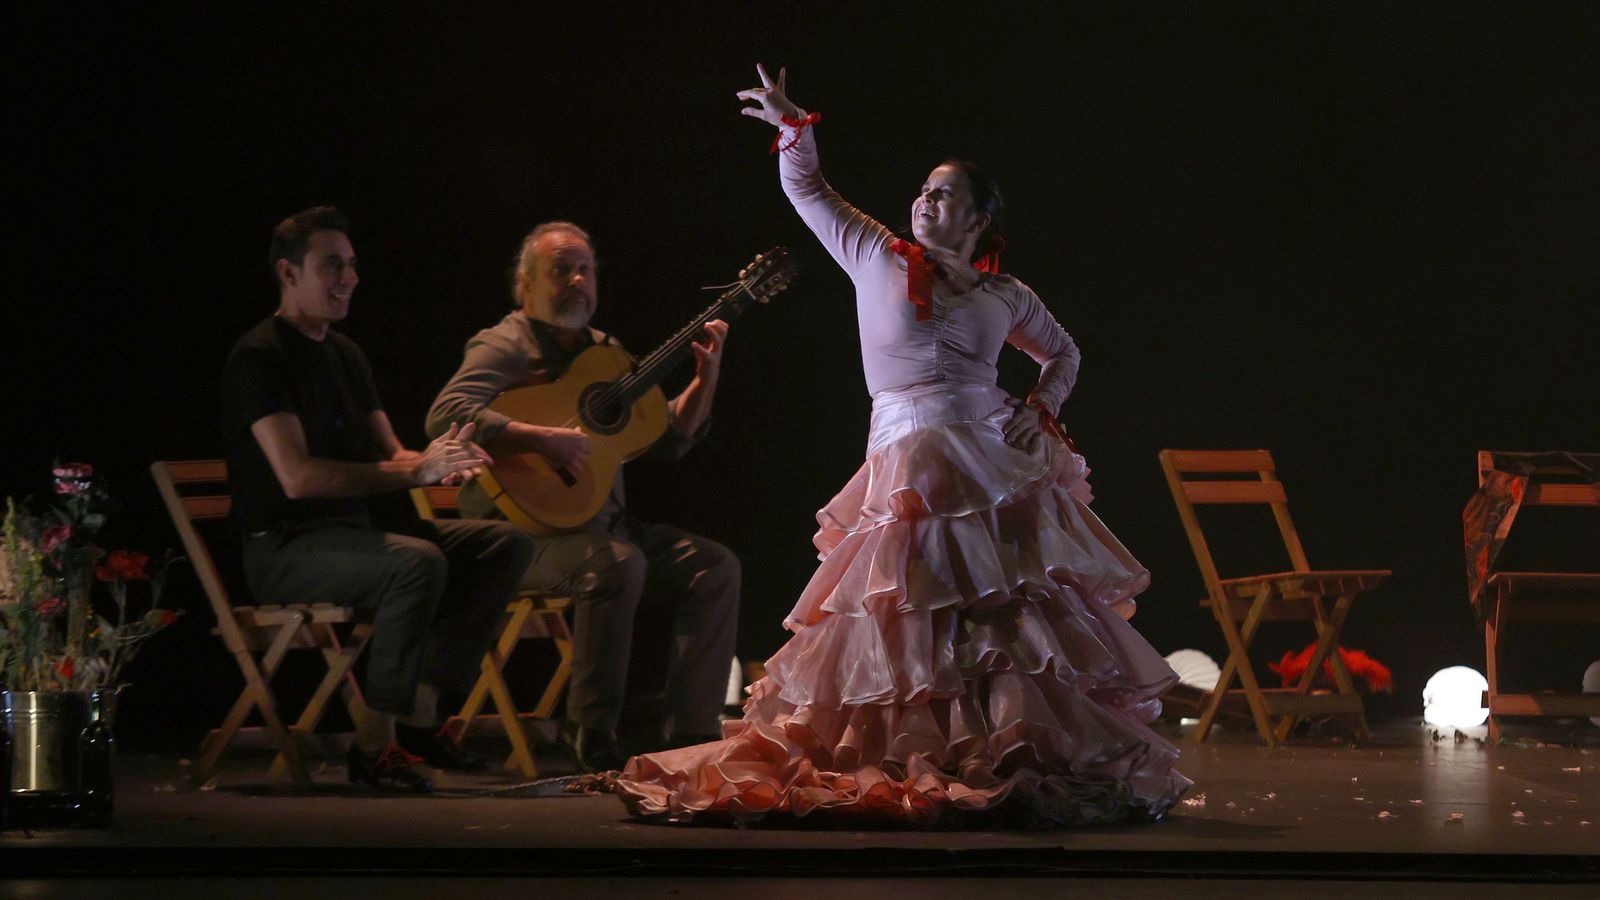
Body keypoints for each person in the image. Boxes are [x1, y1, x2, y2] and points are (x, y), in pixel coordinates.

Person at [613, 67, 1192, 826]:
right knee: (909, 613)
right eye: (923, 190)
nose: (925, 201)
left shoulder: (1005, 294)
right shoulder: (876, 254)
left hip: (991, 464)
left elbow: (1064, 353)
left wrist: (1041, 408)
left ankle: (1000, 749)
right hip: (907, 459)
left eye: (944, 195)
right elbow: (809, 190)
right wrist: (794, 127)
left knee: (998, 621)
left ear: (978, 218)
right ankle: (917, 750)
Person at [223, 206, 537, 793]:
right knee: (416, 562)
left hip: (357, 538)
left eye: (352, 264)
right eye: (332, 265)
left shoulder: (346, 355)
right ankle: (373, 746)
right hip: (285, 548)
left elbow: (394, 456)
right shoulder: (260, 358)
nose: (349, 278)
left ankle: (422, 715)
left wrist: (442, 459)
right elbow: (298, 478)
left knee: (505, 545)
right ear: (289, 274)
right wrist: (414, 471)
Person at [425, 221, 741, 772]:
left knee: (714, 567)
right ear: (525, 284)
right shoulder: (504, 345)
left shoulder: (606, 356)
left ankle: (692, 735)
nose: (577, 280)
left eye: (585, 270)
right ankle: (589, 731)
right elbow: (445, 415)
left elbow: (667, 438)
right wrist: (538, 437)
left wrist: (704, 378)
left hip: (601, 527)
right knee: (617, 563)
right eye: (561, 271)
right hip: (519, 539)